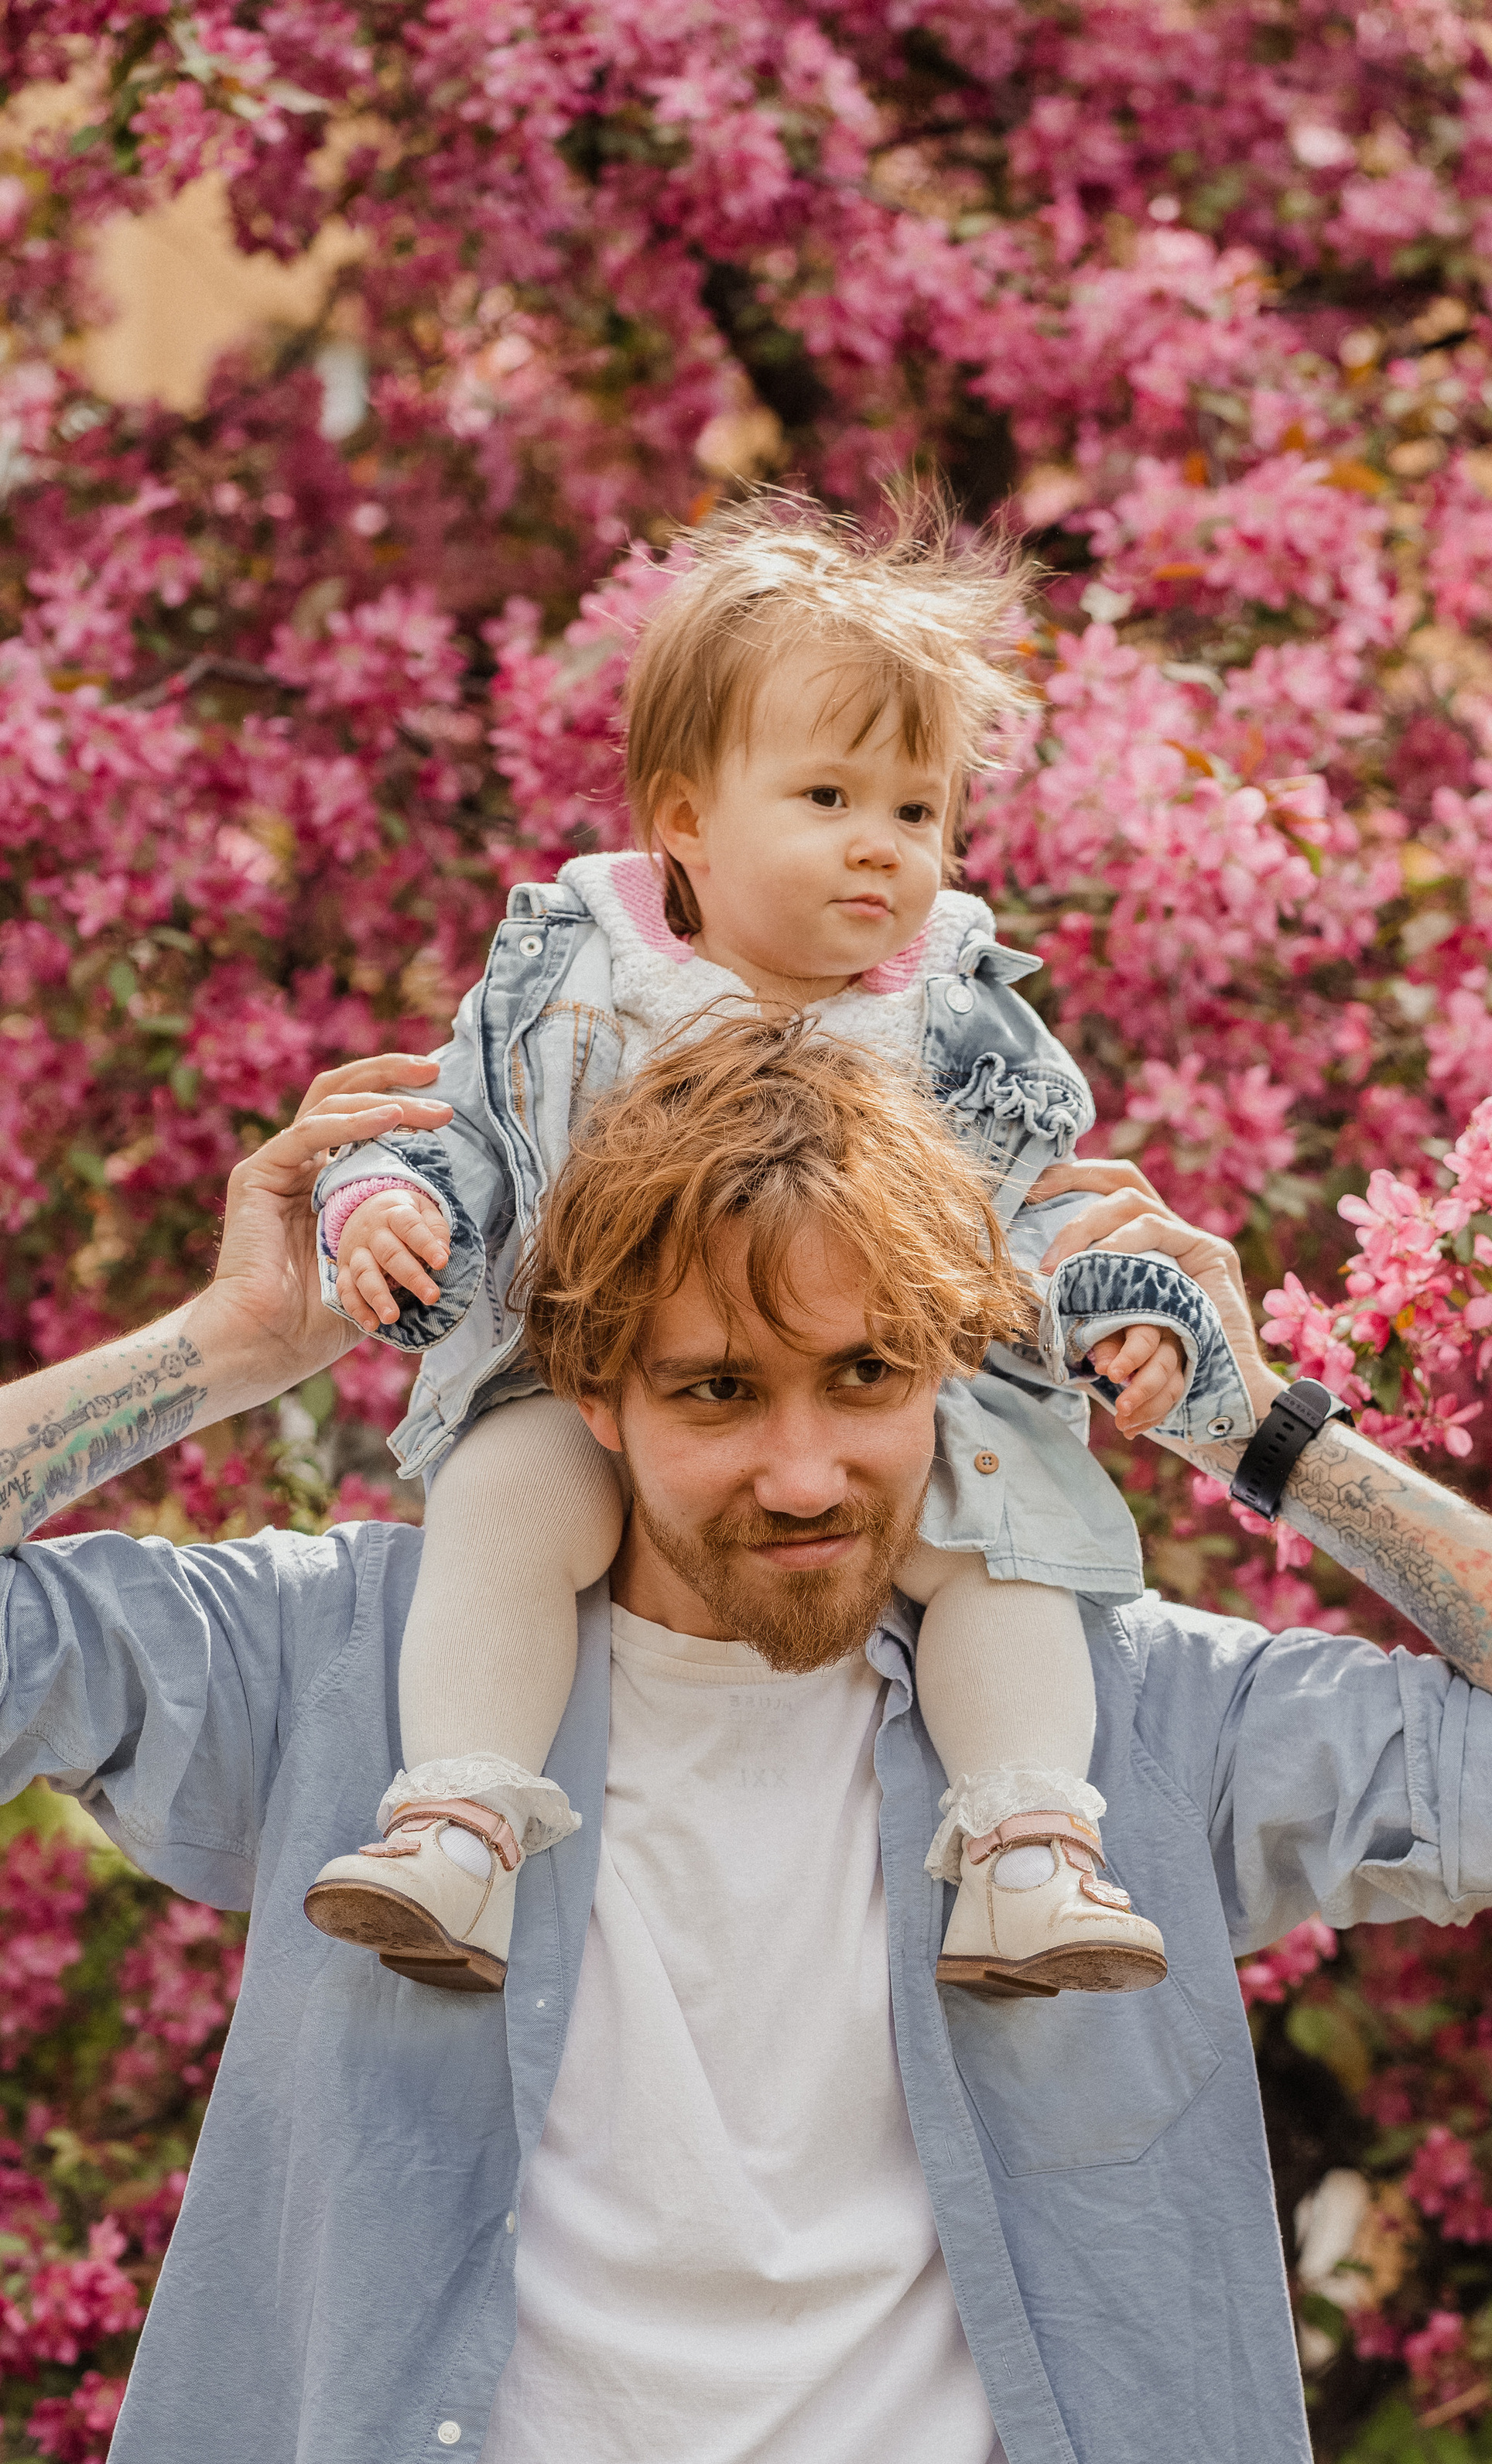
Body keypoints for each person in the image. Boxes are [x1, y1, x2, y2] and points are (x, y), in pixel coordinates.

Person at [2, 1022, 1492, 2464]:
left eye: (866, 1376)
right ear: (588, 1386)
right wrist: (227, 1348)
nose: (803, 1468)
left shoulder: (1115, 1737)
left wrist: (1263, 1434)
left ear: (952, 1363)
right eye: (716, 1388)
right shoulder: (356, 1669)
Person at [300, 499, 1254, 2004]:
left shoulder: (952, 1019)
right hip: (587, 1381)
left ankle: (1025, 1854)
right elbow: (455, 1130)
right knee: (499, 1501)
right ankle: (461, 1822)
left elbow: (1041, 1204)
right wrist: (386, 1209)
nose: (882, 846)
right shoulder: (579, 977)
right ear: (683, 819)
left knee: (1001, 1556)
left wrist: (1119, 1312)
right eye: (826, 795)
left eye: (918, 812)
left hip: (887, 1399)